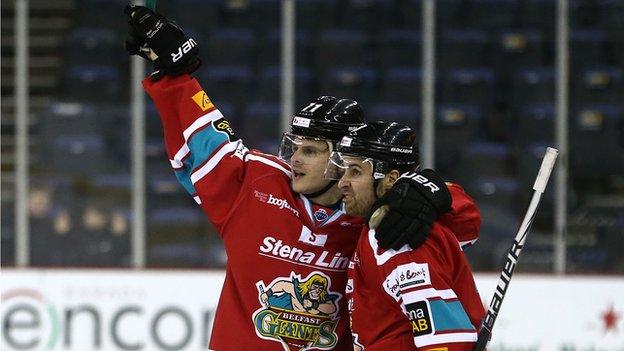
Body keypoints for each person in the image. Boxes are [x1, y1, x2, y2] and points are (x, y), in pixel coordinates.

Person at [124, 6, 468, 350]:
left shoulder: (371, 212)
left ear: (340, 159)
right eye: (294, 146)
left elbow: (465, 223)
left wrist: (430, 192)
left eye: (311, 150)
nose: (295, 159)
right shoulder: (255, 184)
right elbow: (203, 141)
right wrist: (176, 74)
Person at [325, 121, 485, 350]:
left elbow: (446, 340)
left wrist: (430, 191)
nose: (342, 183)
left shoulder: (400, 241)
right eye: (344, 171)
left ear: (390, 179)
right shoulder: (379, 225)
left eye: (355, 171)